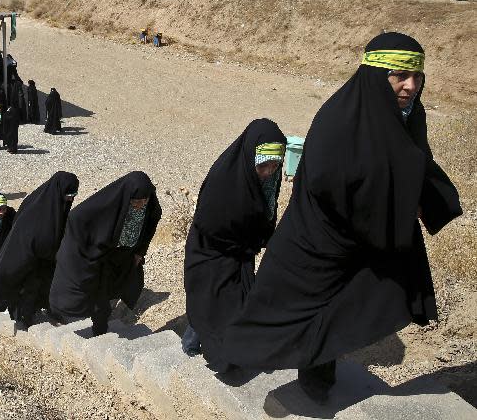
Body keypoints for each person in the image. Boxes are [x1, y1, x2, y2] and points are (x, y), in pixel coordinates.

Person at [220, 32, 462, 403]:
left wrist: (431, 201)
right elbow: (328, 184)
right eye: (400, 75)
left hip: (366, 237)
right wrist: (388, 206)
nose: (411, 85)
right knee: (276, 305)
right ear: (377, 75)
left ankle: (317, 375)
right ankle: (235, 355)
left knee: (342, 312)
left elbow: (414, 160)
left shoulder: (407, 113)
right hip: (320, 238)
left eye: (418, 76)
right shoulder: (339, 119)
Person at [182, 119, 286, 371]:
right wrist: (243, 244)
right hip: (213, 254)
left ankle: (228, 350)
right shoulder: (224, 179)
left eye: (275, 165)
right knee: (210, 301)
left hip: (241, 254)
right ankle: (205, 348)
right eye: (264, 165)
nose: (269, 171)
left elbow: (266, 212)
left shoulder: (269, 179)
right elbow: (209, 225)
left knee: (232, 306)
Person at [49, 171, 161, 336]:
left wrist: (140, 252)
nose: (140, 205)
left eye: (145, 200)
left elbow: (149, 229)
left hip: (124, 258)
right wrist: (88, 252)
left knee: (119, 289)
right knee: (98, 299)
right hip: (102, 258)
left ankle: (101, 327)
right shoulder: (109, 204)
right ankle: (97, 330)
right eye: (136, 202)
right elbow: (77, 217)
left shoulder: (150, 208)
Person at [0, 172, 80, 329]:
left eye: (74, 195)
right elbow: (28, 232)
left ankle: (51, 310)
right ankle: (25, 318)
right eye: (69, 195)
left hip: (49, 258)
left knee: (50, 285)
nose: (71, 199)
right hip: (29, 257)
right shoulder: (37, 206)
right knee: (28, 289)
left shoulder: (58, 204)